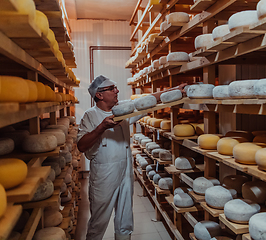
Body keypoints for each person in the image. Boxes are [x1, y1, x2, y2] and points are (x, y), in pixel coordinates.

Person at [77, 75, 187, 240]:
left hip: (126, 172)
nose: (117, 90)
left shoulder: (122, 108)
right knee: (99, 220)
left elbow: (147, 100)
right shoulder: (90, 115)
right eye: (112, 88)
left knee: (125, 217)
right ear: (99, 95)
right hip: (104, 174)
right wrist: (102, 127)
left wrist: (175, 90)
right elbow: (81, 145)